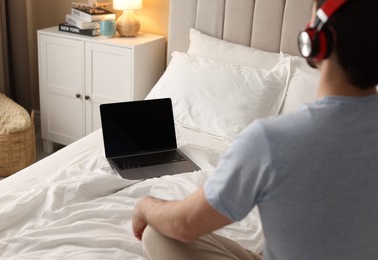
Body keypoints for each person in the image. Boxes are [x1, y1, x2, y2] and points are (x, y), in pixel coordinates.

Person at [132, 0, 378, 259]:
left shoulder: (270, 141)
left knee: (159, 233)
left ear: (317, 40)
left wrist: (145, 206)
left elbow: (183, 226)